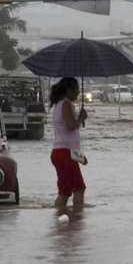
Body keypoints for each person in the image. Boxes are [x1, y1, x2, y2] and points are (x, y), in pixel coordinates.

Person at [49, 77, 88, 214]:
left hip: (61, 152)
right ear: (69, 90)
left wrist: (80, 157)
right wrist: (81, 119)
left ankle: (60, 219)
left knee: (65, 192)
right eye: (76, 89)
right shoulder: (65, 104)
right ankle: (77, 221)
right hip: (65, 154)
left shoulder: (61, 104)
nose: (78, 92)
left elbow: (70, 136)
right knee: (79, 188)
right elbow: (71, 125)